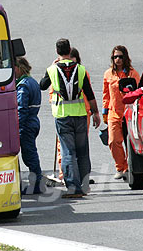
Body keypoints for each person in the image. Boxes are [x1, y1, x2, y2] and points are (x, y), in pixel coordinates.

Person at [40, 38, 101, 198]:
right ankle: (84, 184)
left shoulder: (52, 69)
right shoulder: (80, 69)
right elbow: (90, 93)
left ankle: (73, 188)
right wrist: (95, 113)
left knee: (68, 152)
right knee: (82, 151)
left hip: (62, 116)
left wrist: (52, 65)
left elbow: (42, 85)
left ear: (57, 51)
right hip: (80, 114)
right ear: (69, 50)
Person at [55, 47, 94, 184]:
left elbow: (89, 93)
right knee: (69, 149)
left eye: (73, 57)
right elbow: (52, 92)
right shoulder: (57, 71)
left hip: (81, 113)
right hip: (75, 114)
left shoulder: (80, 71)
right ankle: (66, 175)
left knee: (72, 150)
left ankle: (76, 180)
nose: (69, 60)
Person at [102, 45, 140, 180]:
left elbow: (139, 92)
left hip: (129, 112)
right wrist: (104, 111)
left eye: (120, 56)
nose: (117, 59)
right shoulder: (108, 74)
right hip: (114, 112)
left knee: (130, 141)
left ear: (125, 58)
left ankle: (129, 167)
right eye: (115, 57)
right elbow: (106, 94)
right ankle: (120, 167)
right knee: (113, 141)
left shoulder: (132, 73)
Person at [15, 57, 43, 195]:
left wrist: (17, 127)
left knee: (29, 154)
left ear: (19, 68)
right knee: (31, 152)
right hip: (33, 121)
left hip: (26, 124)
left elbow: (21, 109)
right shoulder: (32, 81)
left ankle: (37, 184)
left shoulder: (23, 85)